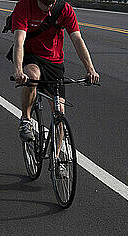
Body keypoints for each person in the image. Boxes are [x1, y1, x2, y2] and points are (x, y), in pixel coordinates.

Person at [11, 0, 100, 143]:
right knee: (33, 76)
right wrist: (18, 71)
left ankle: (58, 161)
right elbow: (19, 40)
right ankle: (26, 120)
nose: (50, 8)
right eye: (46, 5)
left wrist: (90, 69)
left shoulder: (64, 9)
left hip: (54, 61)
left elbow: (77, 39)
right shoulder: (24, 6)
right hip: (31, 54)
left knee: (59, 113)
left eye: (52, 4)